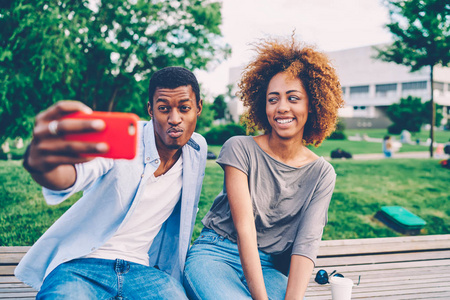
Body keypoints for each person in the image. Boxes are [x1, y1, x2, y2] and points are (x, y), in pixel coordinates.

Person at [15, 67, 206, 299]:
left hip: (144, 272)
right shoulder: (124, 141)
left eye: (184, 108)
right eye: (163, 108)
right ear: (150, 110)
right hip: (81, 266)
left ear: (198, 108)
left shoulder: (197, 149)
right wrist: (42, 163)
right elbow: (72, 175)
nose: (174, 119)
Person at [183, 38, 344, 299]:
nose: (282, 107)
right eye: (273, 99)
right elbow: (245, 229)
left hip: (268, 266)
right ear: (263, 104)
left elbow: (306, 245)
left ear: (312, 105)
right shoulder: (239, 148)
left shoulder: (322, 173)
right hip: (216, 254)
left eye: (293, 98)